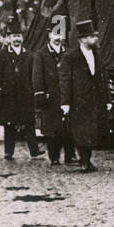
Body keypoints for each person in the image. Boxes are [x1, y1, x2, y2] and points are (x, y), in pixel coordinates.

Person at [59, 19, 108, 172]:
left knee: (92, 131)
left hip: (94, 100)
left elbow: (102, 77)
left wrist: (107, 98)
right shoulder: (70, 56)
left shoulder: (97, 55)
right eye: (91, 36)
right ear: (82, 39)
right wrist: (65, 102)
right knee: (80, 131)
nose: (95, 39)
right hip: (78, 100)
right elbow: (65, 79)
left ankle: (87, 159)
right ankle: (84, 161)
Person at [0, 22, 42, 160]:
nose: (17, 39)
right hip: (8, 95)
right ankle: (9, 151)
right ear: (9, 38)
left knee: (29, 123)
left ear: (22, 38)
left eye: (19, 36)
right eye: (14, 36)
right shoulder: (2, 55)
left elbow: (33, 74)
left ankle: (34, 150)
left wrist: (34, 91)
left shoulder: (29, 55)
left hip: (25, 94)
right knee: (9, 124)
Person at [31, 19, 75, 166]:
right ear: (49, 34)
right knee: (52, 128)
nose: (58, 37)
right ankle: (54, 156)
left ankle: (70, 155)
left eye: (60, 33)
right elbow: (37, 76)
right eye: (55, 33)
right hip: (51, 96)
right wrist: (40, 94)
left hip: (66, 95)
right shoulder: (41, 54)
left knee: (68, 127)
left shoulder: (68, 52)